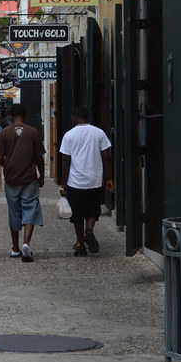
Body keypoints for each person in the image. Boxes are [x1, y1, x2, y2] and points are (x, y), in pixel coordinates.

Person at [58, 106, 114, 257]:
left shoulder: (69, 135)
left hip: (75, 181)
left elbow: (66, 159)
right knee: (93, 209)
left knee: (77, 214)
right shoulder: (99, 133)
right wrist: (109, 178)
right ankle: (89, 229)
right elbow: (107, 156)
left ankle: (81, 245)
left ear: (75, 117)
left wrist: (63, 184)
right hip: (95, 180)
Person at [0, 103, 46, 262]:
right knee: (30, 208)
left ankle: (15, 248)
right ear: (25, 115)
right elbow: (39, 157)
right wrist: (41, 175)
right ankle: (26, 244)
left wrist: (8, 166)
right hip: (29, 178)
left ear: (10, 116)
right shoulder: (33, 132)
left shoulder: (4, 134)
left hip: (11, 179)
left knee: (14, 211)